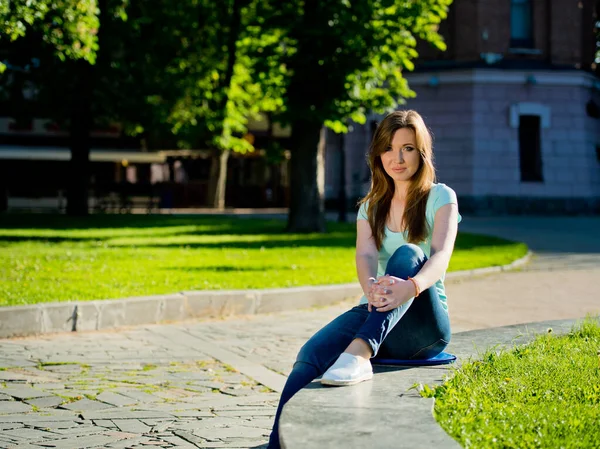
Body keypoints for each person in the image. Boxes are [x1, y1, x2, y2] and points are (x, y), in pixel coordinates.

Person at [267, 110, 461, 448]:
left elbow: (441, 256)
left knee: (409, 255)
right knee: (309, 355)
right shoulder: (371, 206)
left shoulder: (441, 196)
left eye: (407, 148)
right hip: (377, 310)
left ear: (422, 152)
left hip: (423, 327)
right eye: (388, 148)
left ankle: (359, 354)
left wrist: (410, 287)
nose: (397, 158)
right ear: (378, 154)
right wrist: (370, 286)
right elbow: (365, 256)